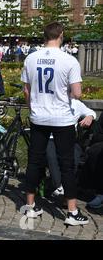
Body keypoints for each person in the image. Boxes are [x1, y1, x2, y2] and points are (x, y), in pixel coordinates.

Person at [21, 22, 88, 226]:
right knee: (66, 165)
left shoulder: (31, 58)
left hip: (39, 116)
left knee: (34, 162)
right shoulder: (69, 60)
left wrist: (34, 107)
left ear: (44, 36)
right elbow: (77, 93)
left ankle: (30, 207)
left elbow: (26, 90)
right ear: (61, 35)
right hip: (62, 119)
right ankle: (72, 211)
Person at [46, 99, 96, 197]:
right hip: (51, 138)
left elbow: (91, 112)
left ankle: (64, 187)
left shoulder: (76, 103)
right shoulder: (50, 101)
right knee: (52, 156)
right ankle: (60, 185)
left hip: (69, 139)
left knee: (74, 155)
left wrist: (89, 117)